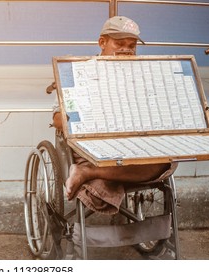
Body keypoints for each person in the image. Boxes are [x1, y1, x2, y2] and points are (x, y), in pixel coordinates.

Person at [52, 16, 178, 214]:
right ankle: (89, 169)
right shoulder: (80, 70)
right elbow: (57, 119)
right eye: (119, 43)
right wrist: (86, 116)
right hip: (94, 146)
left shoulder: (142, 76)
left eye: (132, 45)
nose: (126, 49)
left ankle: (87, 173)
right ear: (102, 42)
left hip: (131, 147)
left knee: (165, 161)